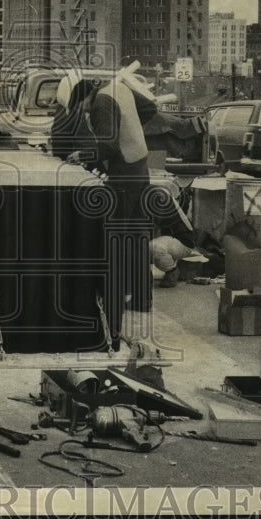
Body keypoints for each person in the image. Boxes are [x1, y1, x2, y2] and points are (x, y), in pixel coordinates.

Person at [88, 62, 160, 332]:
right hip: (140, 166)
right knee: (138, 235)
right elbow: (150, 108)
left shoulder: (100, 103)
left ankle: (112, 302)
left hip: (124, 173)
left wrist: (83, 156)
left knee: (114, 237)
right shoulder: (120, 89)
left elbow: (106, 143)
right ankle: (143, 298)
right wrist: (130, 129)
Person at [49, 76, 99, 171]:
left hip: (79, 160)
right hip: (81, 160)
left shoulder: (68, 108)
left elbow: (58, 139)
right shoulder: (73, 110)